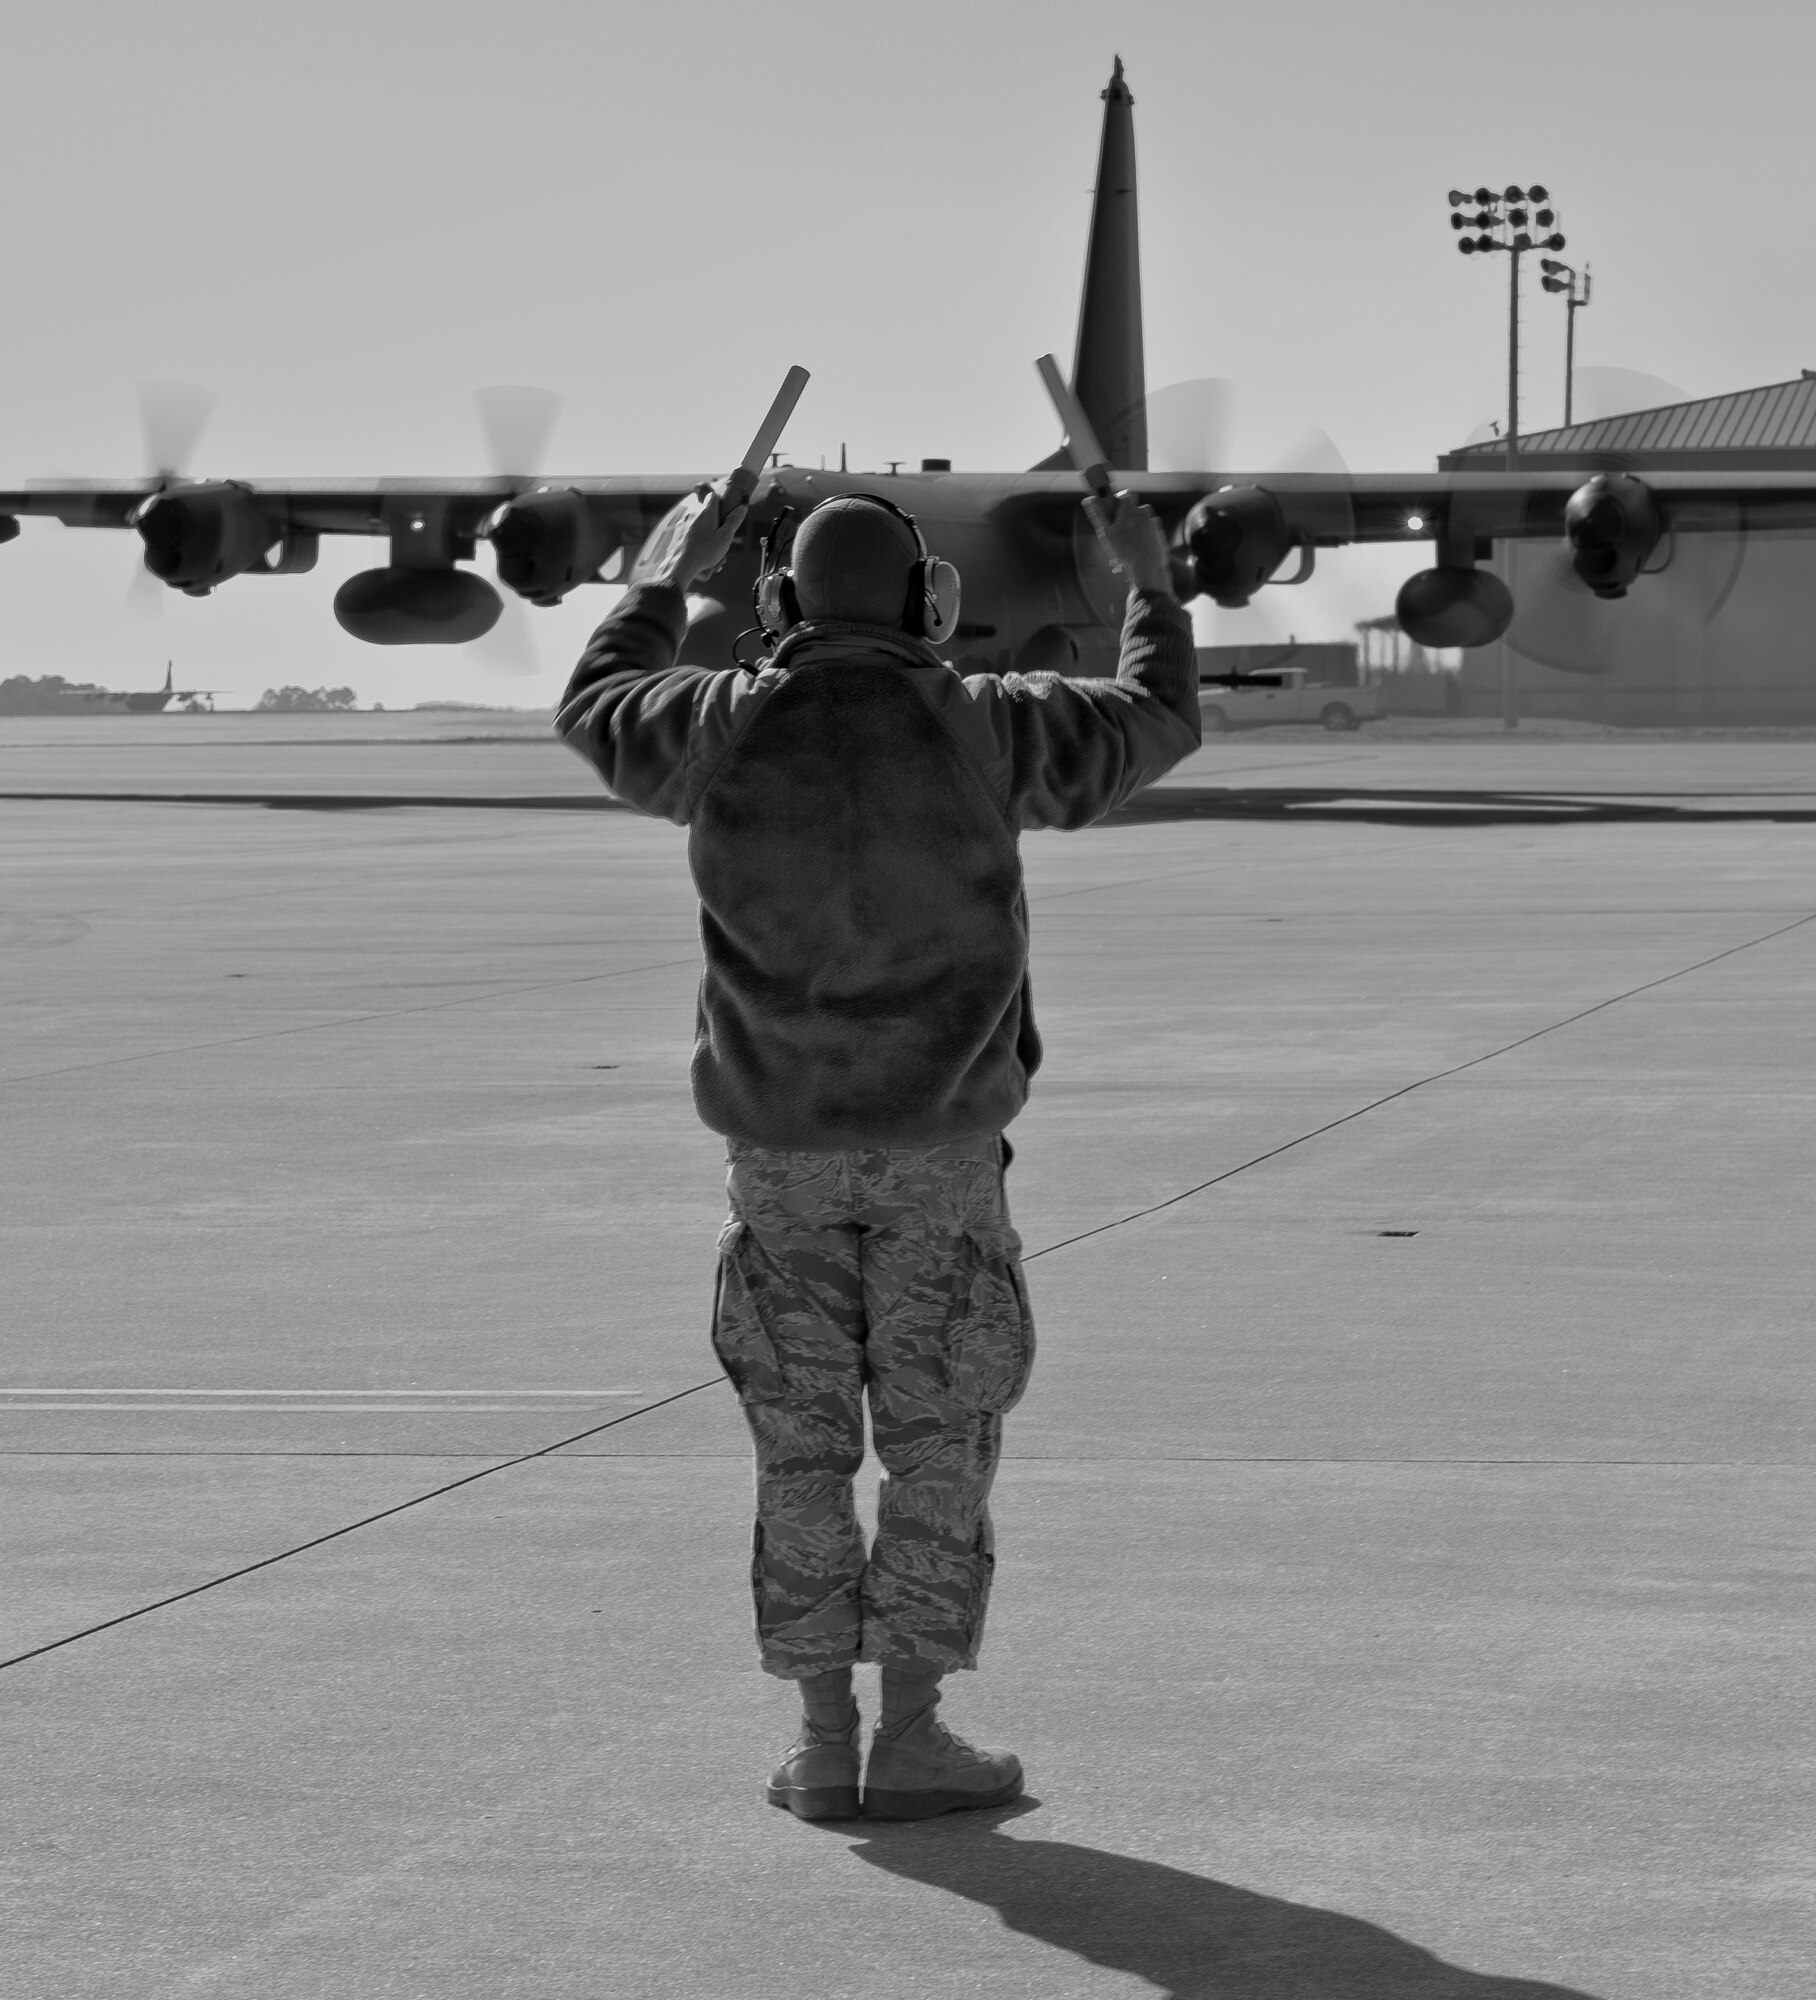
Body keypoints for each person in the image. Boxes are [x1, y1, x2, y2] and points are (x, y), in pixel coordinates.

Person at [554, 478, 1199, 1821]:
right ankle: (912, 1737)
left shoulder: (714, 724)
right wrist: (1148, 581)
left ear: (778, 602)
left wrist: (667, 575)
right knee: (936, 1444)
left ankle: (821, 1745)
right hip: (940, 1163)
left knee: (798, 1454)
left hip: (777, 1161)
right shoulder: (990, 726)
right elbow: (1156, 720)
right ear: (930, 602)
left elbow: (594, 704)